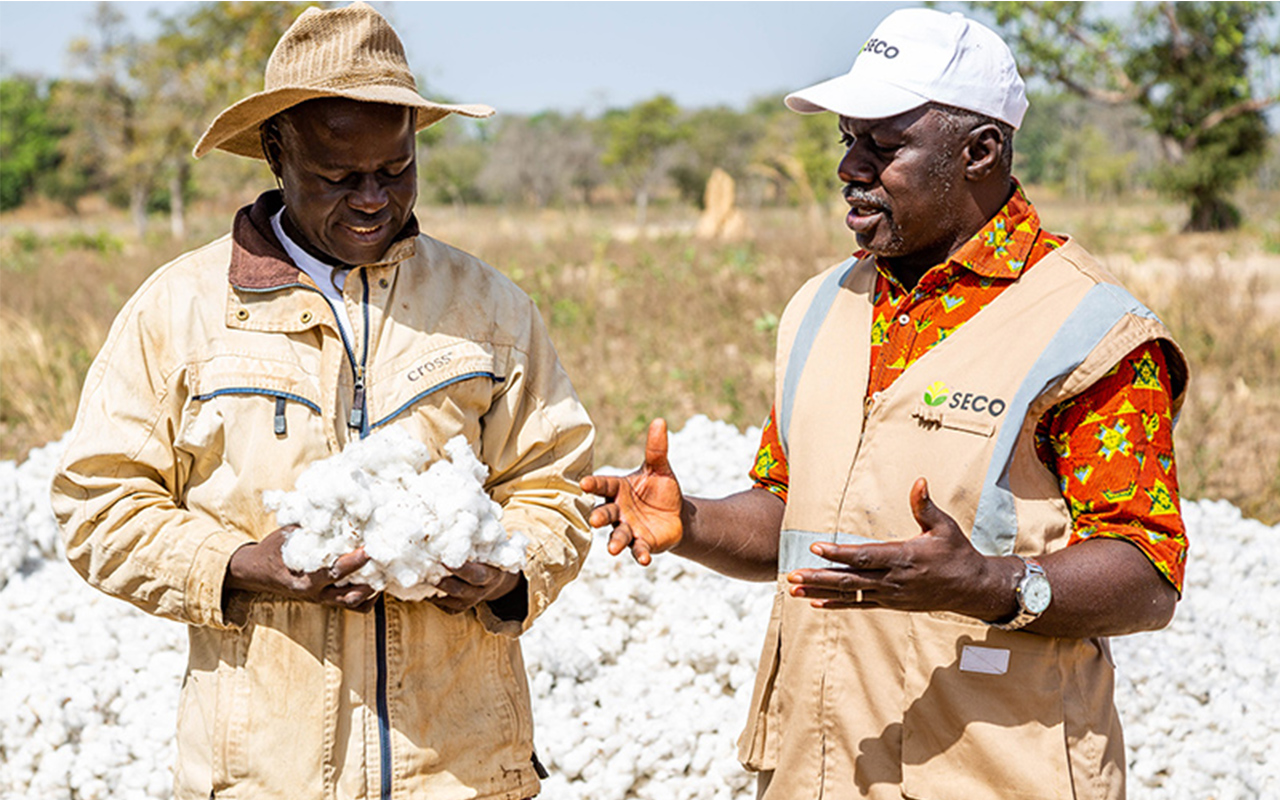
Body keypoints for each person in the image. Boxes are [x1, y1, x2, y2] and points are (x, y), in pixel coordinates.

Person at [583, 8, 1188, 800]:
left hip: (993, 774)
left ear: (980, 152)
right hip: (819, 768)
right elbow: (787, 511)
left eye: (885, 144)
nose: (851, 168)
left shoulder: (1090, 332)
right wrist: (689, 521)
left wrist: (991, 583)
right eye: (847, 141)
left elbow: (1148, 572)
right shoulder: (819, 306)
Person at [50, 4, 593, 799]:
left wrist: (506, 572)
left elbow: (556, 488)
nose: (374, 199)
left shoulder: (488, 308)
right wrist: (240, 568)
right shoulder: (182, 312)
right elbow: (97, 505)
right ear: (277, 153)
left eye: (396, 170)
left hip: (460, 772)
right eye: (339, 178)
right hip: (263, 775)